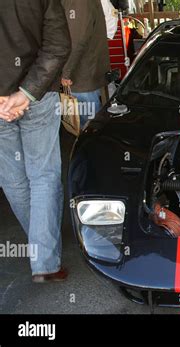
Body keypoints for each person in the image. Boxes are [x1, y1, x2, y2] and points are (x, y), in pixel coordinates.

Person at [0, 0, 71, 282]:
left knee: (13, 180)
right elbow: (58, 45)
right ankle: (44, 261)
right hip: (38, 95)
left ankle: (41, 247)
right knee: (43, 177)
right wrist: (25, 94)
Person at [61, 0, 111, 129]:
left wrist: (66, 72)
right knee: (88, 121)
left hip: (81, 74)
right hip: (83, 71)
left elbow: (76, 40)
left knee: (88, 125)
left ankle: (96, 147)